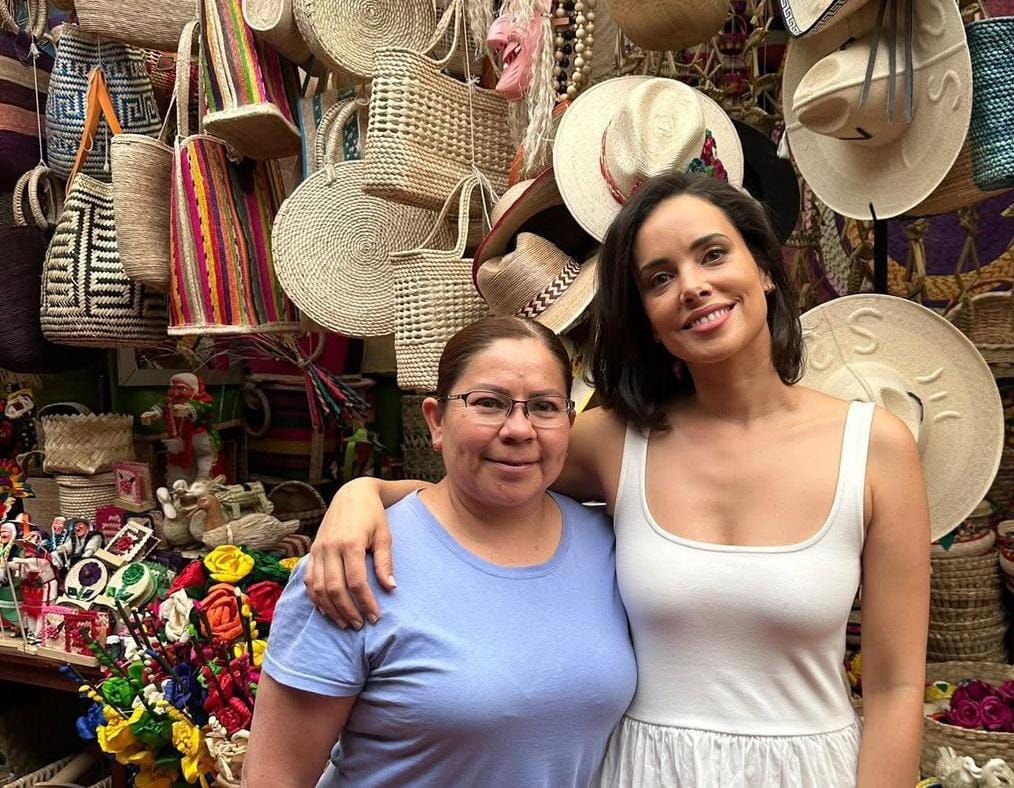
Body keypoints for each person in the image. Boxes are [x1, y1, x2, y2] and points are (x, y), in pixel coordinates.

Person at [306, 173, 930, 787]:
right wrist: (365, 494)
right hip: (642, 770)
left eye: (713, 254)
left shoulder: (874, 448)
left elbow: (897, 685)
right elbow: (482, 488)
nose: (692, 286)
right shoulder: (617, 439)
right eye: (660, 278)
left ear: (765, 268)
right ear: (648, 318)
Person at [244, 317, 637, 788]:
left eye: (543, 406)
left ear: (569, 425)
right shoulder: (352, 564)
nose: (519, 428)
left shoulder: (610, 545)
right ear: (436, 421)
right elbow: (275, 777)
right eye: (488, 403)